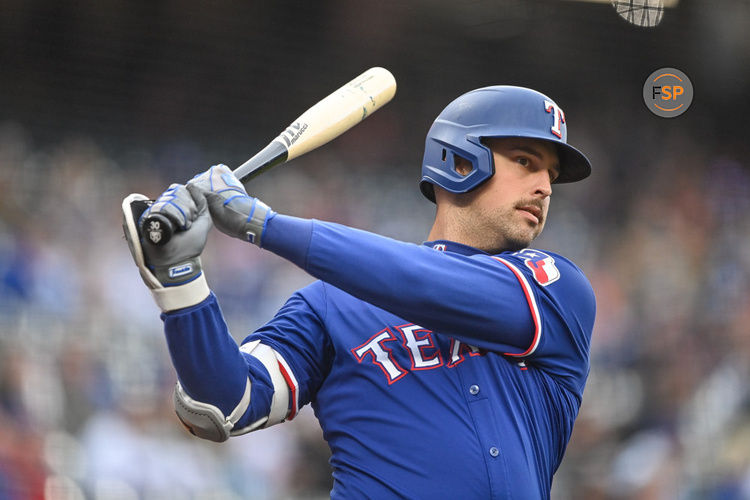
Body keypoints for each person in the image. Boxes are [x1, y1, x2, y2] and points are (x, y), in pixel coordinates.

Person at [122, 85, 596, 499]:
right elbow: (224, 406)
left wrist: (262, 225)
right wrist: (181, 282)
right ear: (459, 158)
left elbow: (426, 284)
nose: (544, 188)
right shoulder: (330, 306)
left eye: (550, 175)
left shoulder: (557, 287)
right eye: (525, 162)